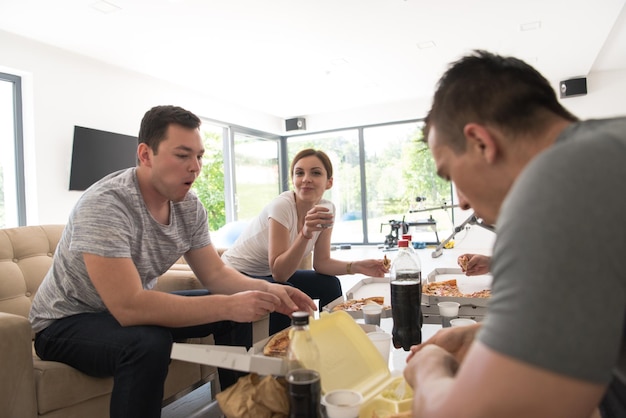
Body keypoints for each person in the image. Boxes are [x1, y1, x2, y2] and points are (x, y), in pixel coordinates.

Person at [29, 105, 316, 418]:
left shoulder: (189, 207)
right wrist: (228, 305)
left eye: (199, 156)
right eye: (182, 155)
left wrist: (270, 290)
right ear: (146, 154)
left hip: (127, 311)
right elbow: (129, 307)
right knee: (148, 342)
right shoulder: (106, 205)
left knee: (234, 305)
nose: (195, 167)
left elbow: (217, 274)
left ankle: (243, 408)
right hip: (65, 322)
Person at [404, 50, 625, 418]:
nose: (460, 203)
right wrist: (483, 335)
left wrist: (428, 365)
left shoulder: (559, 181)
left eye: (449, 175)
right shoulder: (608, 147)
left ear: (480, 143)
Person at [221, 148, 389, 334]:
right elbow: (280, 274)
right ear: (293, 180)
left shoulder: (326, 208)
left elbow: (322, 263)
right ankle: (284, 353)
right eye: (299, 173)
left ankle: (333, 338)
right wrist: (305, 233)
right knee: (285, 289)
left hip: (267, 274)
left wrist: (357, 266)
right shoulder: (282, 206)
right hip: (237, 272)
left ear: (329, 182)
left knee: (330, 284)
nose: (306, 179)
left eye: (315, 173)